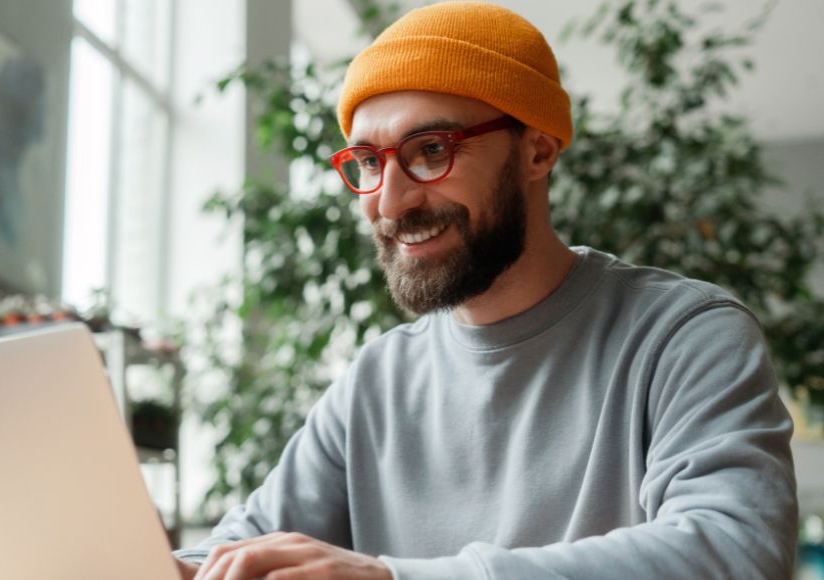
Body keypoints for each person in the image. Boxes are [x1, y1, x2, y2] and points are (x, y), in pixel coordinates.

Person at [174, 2, 798, 579]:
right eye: (368, 162)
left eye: (432, 149)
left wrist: (394, 577)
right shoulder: (377, 379)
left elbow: (734, 548)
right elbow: (237, 550)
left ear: (538, 151)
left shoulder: (684, 334)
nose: (389, 201)